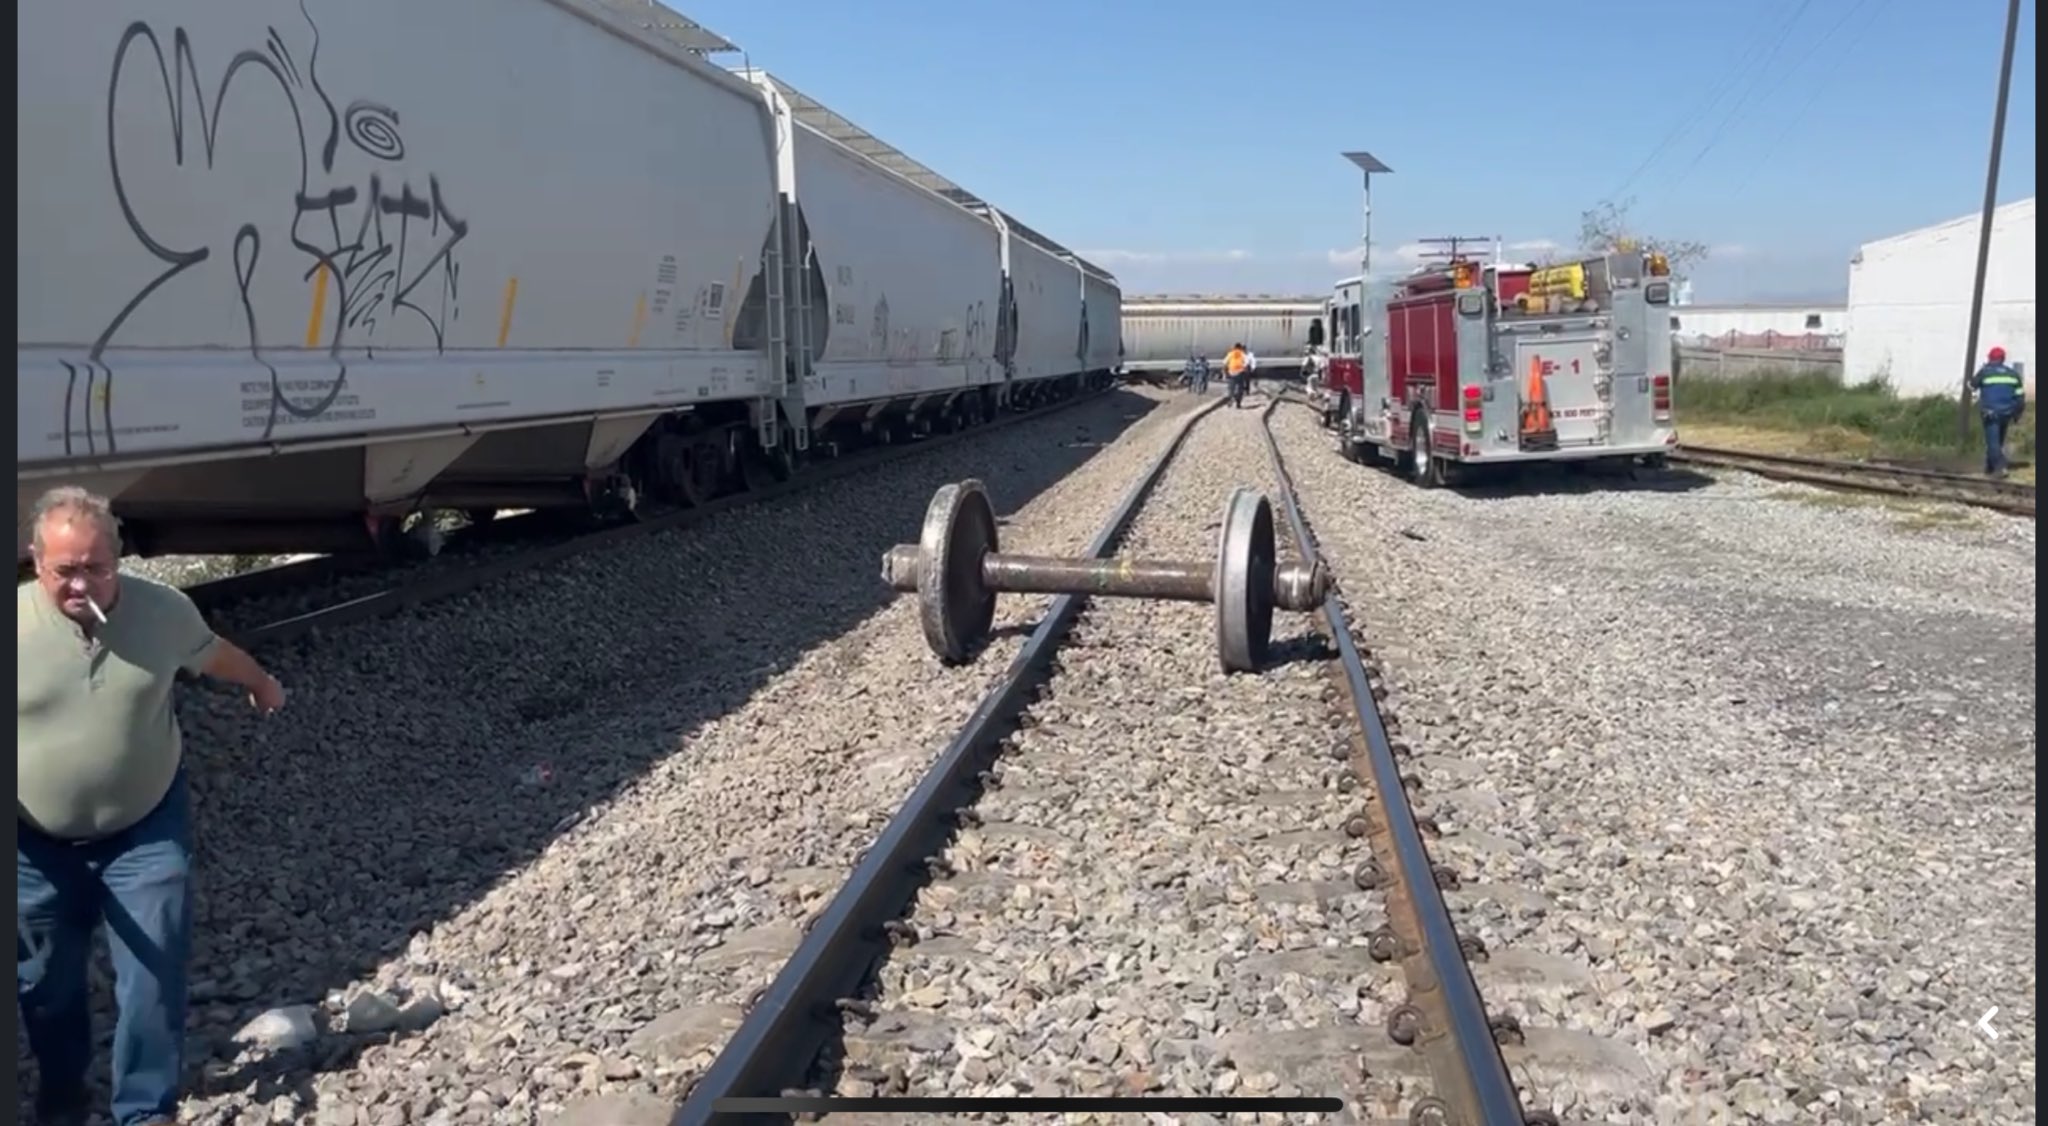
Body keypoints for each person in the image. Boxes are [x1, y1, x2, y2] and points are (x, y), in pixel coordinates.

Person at [18, 486, 287, 1126]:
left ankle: (144, 1110)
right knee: (46, 986)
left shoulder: (162, 612)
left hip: (144, 830)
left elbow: (215, 654)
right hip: (33, 843)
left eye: (95, 568)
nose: (80, 583)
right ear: (35, 562)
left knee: (151, 973)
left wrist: (261, 683)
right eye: (64, 570)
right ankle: (62, 1097)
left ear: (119, 560)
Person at [1969, 346, 2026, 477]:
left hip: (1991, 412)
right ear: (2003, 359)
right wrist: (2017, 414)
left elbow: (1972, 385)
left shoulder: (1985, 372)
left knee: (1993, 442)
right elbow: (2020, 397)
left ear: (1990, 358)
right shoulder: (2013, 374)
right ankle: (1990, 467)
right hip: (2007, 412)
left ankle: (2000, 467)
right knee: (1998, 440)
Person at [1224, 342, 1249, 409]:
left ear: (1234, 347)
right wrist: (1245, 370)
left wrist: (1225, 371)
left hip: (1231, 372)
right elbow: (1246, 363)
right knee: (1240, 388)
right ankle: (1238, 402)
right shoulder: (1242, 354)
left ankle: (1230, 398)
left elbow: (1225, 362)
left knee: (1231, 387)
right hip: (1240, 372)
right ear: (1240, 348)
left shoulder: (1230, 354)